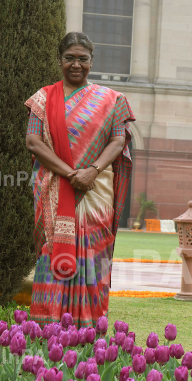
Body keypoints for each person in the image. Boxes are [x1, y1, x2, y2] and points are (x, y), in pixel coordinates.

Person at [25, 32, 135, 328]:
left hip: (96, 191)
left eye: (82, 59)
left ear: (91, 61)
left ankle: (90, 328)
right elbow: (34, 142)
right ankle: (47, 328)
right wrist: (71, 173)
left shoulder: (113, 100)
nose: (76, 64)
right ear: (60, 60)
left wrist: (92, 170)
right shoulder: (43, 97)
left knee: (94, 254)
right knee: (51, 254)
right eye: (69, 58)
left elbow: (117, 140)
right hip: (55, 190)